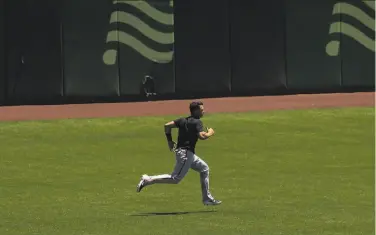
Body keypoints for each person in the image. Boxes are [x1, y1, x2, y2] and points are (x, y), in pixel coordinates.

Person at [136, 101, 222, 206]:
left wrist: (169, 141)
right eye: (201, 109)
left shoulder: (182, 120)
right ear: (195, 111)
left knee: (204, 169)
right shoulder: (197, 122)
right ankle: (147, 180)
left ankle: (207, 198)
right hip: (186, 154)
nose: (203, 111)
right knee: (175, 178)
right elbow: (202, 136)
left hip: (187, 154)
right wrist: (210, 133)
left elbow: (167, 126)